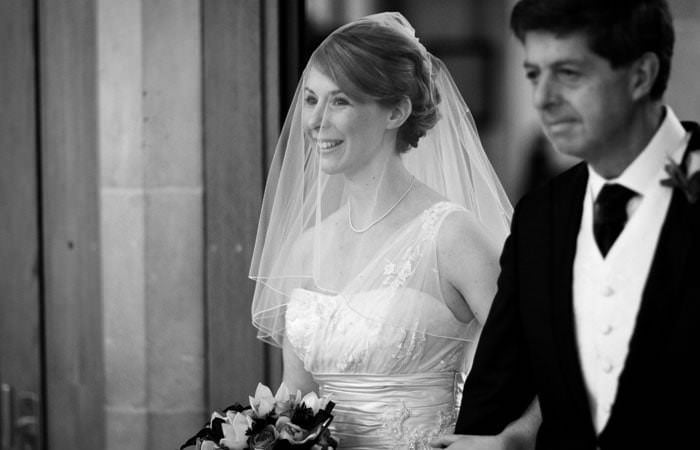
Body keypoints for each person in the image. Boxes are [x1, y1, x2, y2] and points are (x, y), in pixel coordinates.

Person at [436, 0, 700, 448]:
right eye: (535, 74)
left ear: (641, 75)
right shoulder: (540, 216)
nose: (542, 99)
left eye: (569, 73)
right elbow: (497, 384)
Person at [249, 12, 517, 449]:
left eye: (340, 101)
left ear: (396, 111)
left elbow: (545, 357)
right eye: (312, 100)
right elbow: (294, 400)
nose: (316, 121)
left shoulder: (451, 236)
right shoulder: (305, 248)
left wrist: (513, 439)